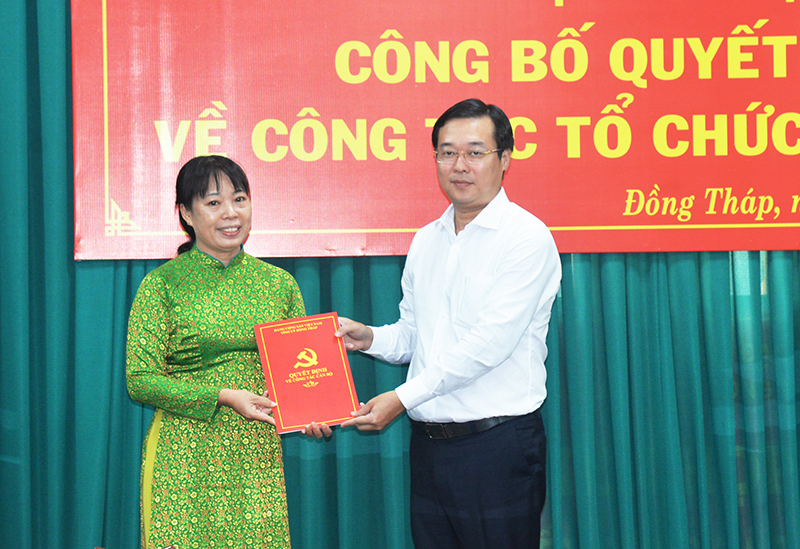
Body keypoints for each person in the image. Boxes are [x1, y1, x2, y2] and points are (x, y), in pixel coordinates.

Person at [336, 99, 562, 548]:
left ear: (505, 159)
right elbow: (416, 335)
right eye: (447, 152)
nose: (460, 165)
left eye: (475, 152)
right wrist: (370, 339)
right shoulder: (427, 240)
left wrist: (400, 398)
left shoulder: (526, 238)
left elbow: (487, 346)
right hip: (430, 449)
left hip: (496, 448)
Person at [126, 155, 324, 549]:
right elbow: (140, 380)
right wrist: (222, 396)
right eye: (213, 203)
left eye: (239, 199)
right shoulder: (162, 285)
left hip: (254, 453)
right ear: (186, 213)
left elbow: (299, 372)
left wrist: (312, 411)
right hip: (184, 455)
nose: (230, 213)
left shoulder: (279, 285)